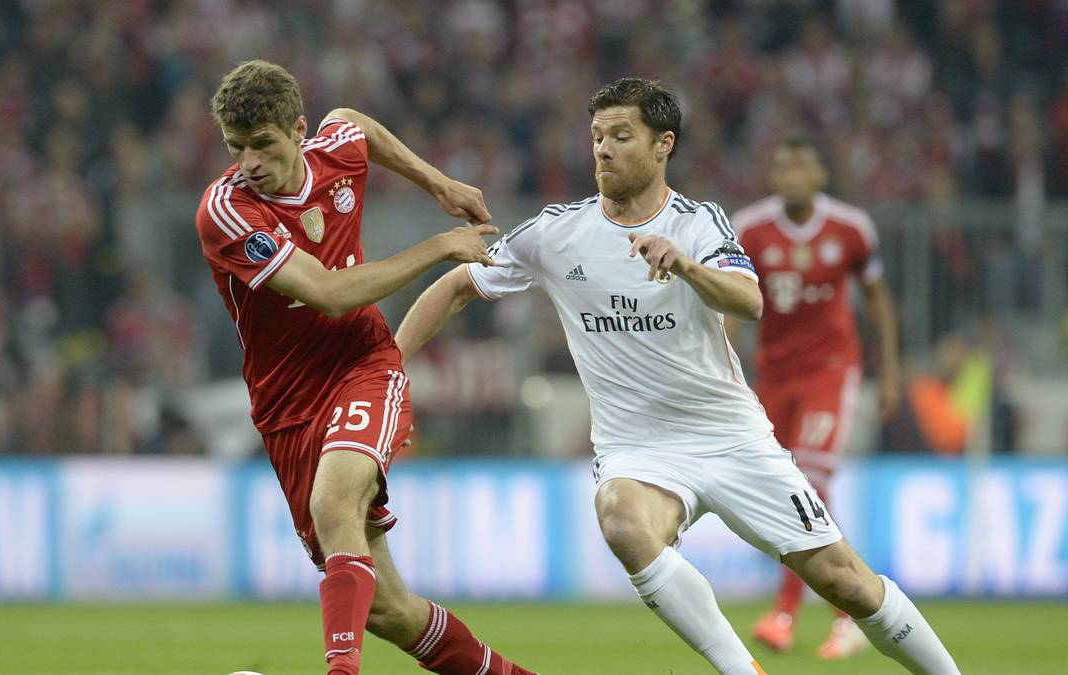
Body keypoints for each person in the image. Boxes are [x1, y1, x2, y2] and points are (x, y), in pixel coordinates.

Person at [396, 77, 959, 675]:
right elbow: (459, 284)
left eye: (620, 135)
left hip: (732, 437)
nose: (603, 150)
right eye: (596, 137)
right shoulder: (556, 232)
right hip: (638, 450)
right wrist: (391, 365)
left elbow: (749, 301)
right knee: (621, 518)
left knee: (846, 583)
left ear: (663, 144)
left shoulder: (699, 224)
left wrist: (686, 266)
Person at [194, 60, 536, 675]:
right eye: (236, 148)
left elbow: (352, 123)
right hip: (286, 407)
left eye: (263, 144)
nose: (249, 162)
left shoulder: (335, 154)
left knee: (335, 504)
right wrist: (438, 245)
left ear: (298, 132)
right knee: (387, 610)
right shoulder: (227, 211)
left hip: (363, 365)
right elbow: (327, 293)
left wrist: (438, 184)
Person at [725, 136, 901, 659]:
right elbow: (730, 303)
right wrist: (727, 369)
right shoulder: (749, 228)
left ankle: (785, 613)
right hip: (773, 376)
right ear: (773, 177)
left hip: (831, 372)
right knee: (787, 489)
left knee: (811, 480)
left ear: (820, 174)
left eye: (801, 166)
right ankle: (849, 614)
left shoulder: (850, 228)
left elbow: (877, 301)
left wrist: (890, 373)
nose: (792, 177)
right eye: (782, 167)